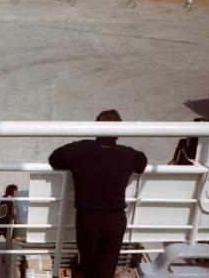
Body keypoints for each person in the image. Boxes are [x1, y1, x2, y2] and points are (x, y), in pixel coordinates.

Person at [48, 109, 147, 278]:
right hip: (114, 219)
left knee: (86, 260)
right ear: (119, 131)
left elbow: (54, 159)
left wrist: (76, 167)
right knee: (107, 266)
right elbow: (142, 163)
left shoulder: (78, 149)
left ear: (95, 127)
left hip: (87, 218)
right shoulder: (127, 154)